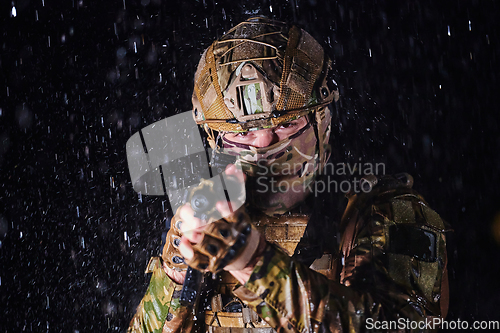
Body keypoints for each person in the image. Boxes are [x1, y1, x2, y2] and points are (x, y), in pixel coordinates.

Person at [127, 17, 449, 333]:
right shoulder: (210, 221)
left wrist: (252, 261)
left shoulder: (383, 213)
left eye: (285, 125)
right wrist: (178, 269)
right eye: (243, 133)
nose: (265, 144)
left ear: (322, 119)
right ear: (215, 140)